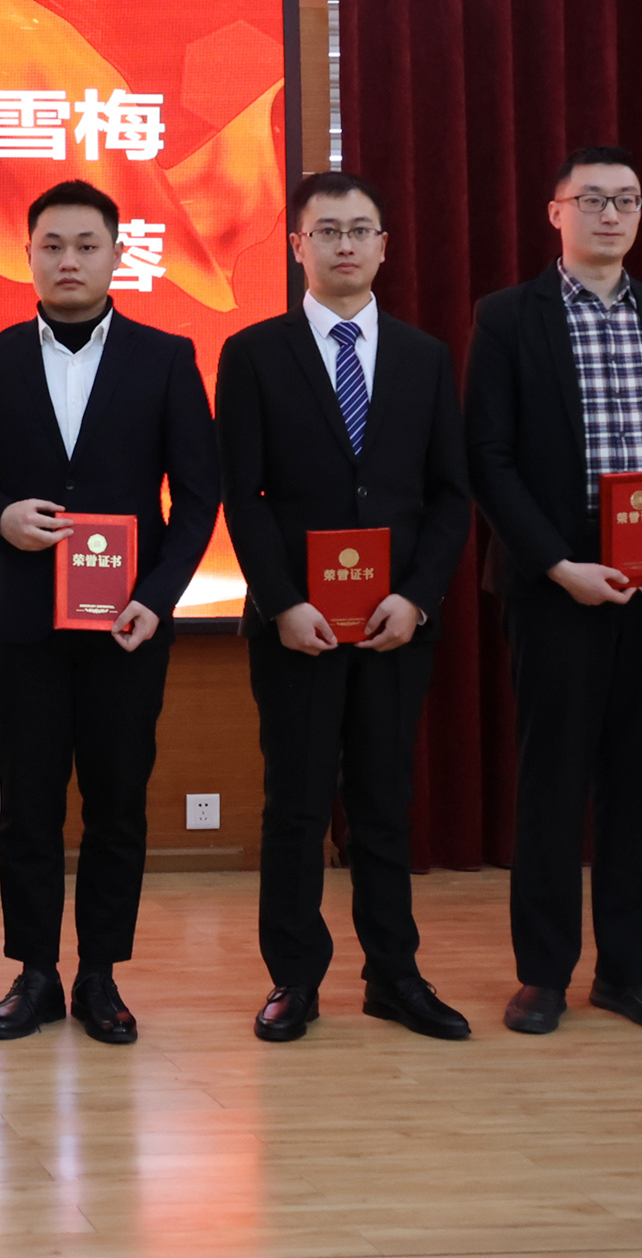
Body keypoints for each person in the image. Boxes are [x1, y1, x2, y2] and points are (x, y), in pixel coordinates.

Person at [467, 146, 642, 1036]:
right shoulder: (506, 316)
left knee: (636, 780)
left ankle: (627, 970)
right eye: (590, 199)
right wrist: (556, 564)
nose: (610, 214)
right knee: (551, 780)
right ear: (555, 212)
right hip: (558, 584)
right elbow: (488, 458)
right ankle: (542, 975)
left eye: (625, 199)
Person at [0, 180, 218, 1046]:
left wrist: (156, 598)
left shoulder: (165, 356)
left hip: (126, 625)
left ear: (115, 254)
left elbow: (198, 496)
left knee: (116, 803)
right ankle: (33, 971)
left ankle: (99, 972)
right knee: (27, 806)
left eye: (86, 245)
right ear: (26, 254)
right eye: (52, 245)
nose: (68, 260)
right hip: (23, 623)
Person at [216, 172, 472, 1045]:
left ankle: (394, 975)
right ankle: (293, 976)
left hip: (394, 624)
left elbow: (448, 493)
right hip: (297, 627)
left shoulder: (423, 356)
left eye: (360, 229)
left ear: (383, 245)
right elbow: (242, 495)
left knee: (382, 802)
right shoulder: (253, 352)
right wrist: (282, 601)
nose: (345, 244)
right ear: (297, 246)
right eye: (326, 230)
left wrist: (419, 596)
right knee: (294, 804)